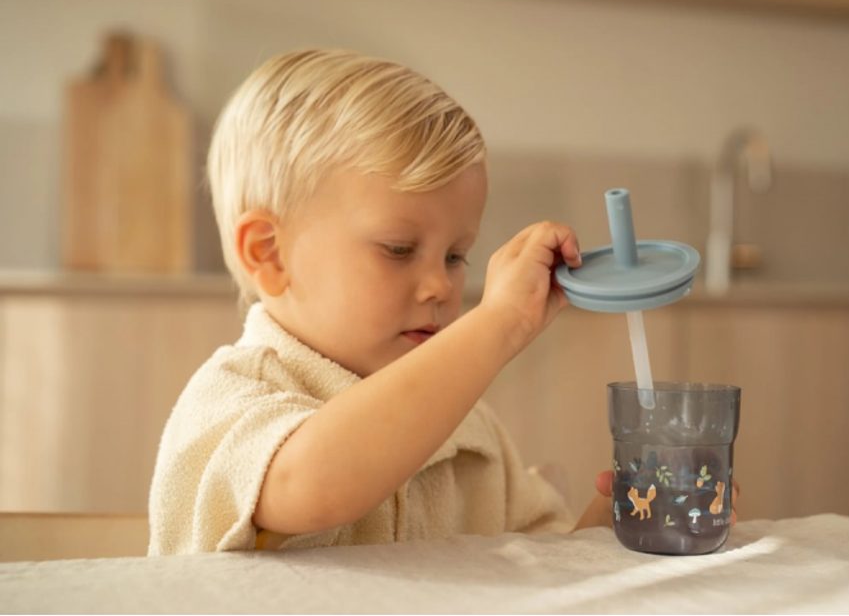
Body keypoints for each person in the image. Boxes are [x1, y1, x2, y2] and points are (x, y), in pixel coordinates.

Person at [147, 48, 615, 554]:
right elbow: (316, 484)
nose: (440, 286)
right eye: (398, 249)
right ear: (269, 253)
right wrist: (497, 323)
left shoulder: (470, 429)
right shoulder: (229, 399)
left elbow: (543, 573)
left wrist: (608, 526)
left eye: (456, 256)